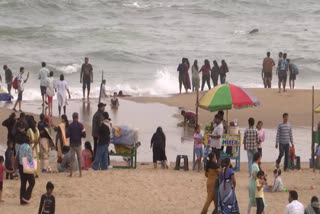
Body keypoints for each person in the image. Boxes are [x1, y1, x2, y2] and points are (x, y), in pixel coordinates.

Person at [17, 133, 35, 205]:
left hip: (21, 165)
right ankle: (26, 197)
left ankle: (22, 199)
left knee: (23, 183)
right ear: (28, 141)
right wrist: (33, 166)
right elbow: (30, 158)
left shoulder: (20, 146)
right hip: (27, 164)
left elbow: (17, 156)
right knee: (32, 182)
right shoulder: (28, 147)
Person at [66, 112, 86, 177]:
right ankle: (80, 173)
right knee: (79, 158)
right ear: (78, 117)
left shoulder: (70, 126)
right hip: (78, 144)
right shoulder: (81, 125)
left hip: (72, 144)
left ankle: (71, 173)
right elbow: (84, 135)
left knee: (72, 159)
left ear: (72, 117)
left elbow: (67, 135)